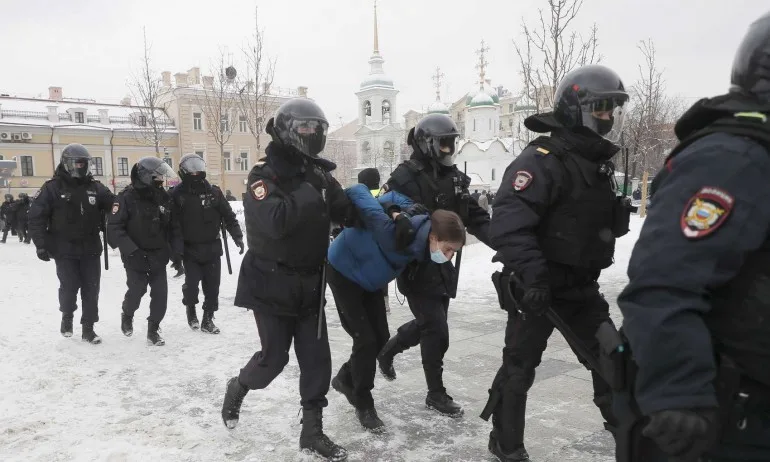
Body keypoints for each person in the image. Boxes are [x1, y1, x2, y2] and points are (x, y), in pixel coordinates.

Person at [617, 12, 770, 462]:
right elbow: (664, 280)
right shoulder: (733, 158)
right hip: (736, 411)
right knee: (519, 366)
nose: (605, 117)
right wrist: (680, 394)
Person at [484, 64, 632, 461]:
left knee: (614, 363)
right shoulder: (543, 159)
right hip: (539, 289)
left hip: (582, 289)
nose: (608, 118)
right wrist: (533, 277)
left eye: (612, 110)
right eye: (601, 109)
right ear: (576, 110)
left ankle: (632, 442)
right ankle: (506, 444)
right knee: (519, 370)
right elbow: (510, 224)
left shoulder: (595, 162)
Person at [221, 98, 358, 461]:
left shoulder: (319, 175)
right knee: (273, 360)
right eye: (306, 128)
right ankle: (239, 385)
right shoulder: (263, 177)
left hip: (311, 285)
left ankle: (312, 432)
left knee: (317, 362)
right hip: (271, 284)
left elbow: (346, 210)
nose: (313, 135)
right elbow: (276, 222)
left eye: (318, 129)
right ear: (288, 130)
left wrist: (389, 207)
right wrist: (312, 190)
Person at [377, 113, 492, 418]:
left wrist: (505, 242)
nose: (448, 149)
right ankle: (435, 394)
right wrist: (398, 216)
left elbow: (473, 216)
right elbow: (384, 204)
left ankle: (389, 350)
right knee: (437, 330)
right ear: (427, 143)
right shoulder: (405, 175)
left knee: (430, 324)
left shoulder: (452, 176)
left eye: (452, 143)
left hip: (445, 263)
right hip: (416, 265)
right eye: (444, 143)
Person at [328, 183, 466, 432]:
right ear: (433, 238)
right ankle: (364, 403)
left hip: (370, 280)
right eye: (447, 249)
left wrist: (399, 208)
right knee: (365, 339)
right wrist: (394, 216)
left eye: (453, 253)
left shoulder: (422, 228)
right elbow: (359, 190)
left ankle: (346, 378)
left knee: (380, 338)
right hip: (344, 271)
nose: (449, 256)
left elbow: (393, 196)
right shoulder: (397, 233)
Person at [27, 144, 115, 343]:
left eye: (84, 164)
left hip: (91, 248)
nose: (80, 168)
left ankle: (88, 328)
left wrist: (129, 197)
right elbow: (36, 217)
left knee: (92, 289)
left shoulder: (95, 187)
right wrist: (40, 244)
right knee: (69, 287)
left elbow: (114, 204)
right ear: (66, 164)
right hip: (64, 249)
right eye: (76, 163)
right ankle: (67, 316)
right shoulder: (52, 188)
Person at [107, 156, 183, 346]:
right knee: (136, 290)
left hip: (158, 255)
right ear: (145, 177)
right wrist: (131, 250)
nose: (160, 181)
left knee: (160, 296)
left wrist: (177, 253)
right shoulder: (125, 198)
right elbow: (115, 228)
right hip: (135, 256)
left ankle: (153, 329)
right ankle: (127, 313)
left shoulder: (163, 197)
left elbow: (173, 228)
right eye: (156, 177)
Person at [170, 154, 244, 334]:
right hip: (190, 250)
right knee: (192, 286)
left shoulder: (214, 192)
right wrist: (175, 252)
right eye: (191, 168)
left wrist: (237, 237)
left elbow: (229, 216)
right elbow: (171, 225)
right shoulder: (176, 195)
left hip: (212, 247)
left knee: (212, 287)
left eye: (198, 167)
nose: (195, 172)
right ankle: (191, 310)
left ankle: (208, 319)